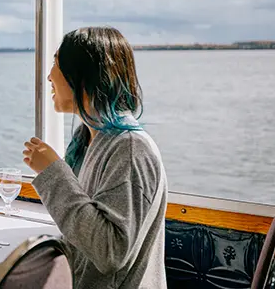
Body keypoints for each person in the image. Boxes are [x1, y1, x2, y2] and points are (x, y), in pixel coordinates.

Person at [21, 27, 167, 289]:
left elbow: (109, 251)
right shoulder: (86, 139)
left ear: (82, 77)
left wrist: (53, 172)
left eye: (56, 62)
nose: (49, 76)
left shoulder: (130, 150)